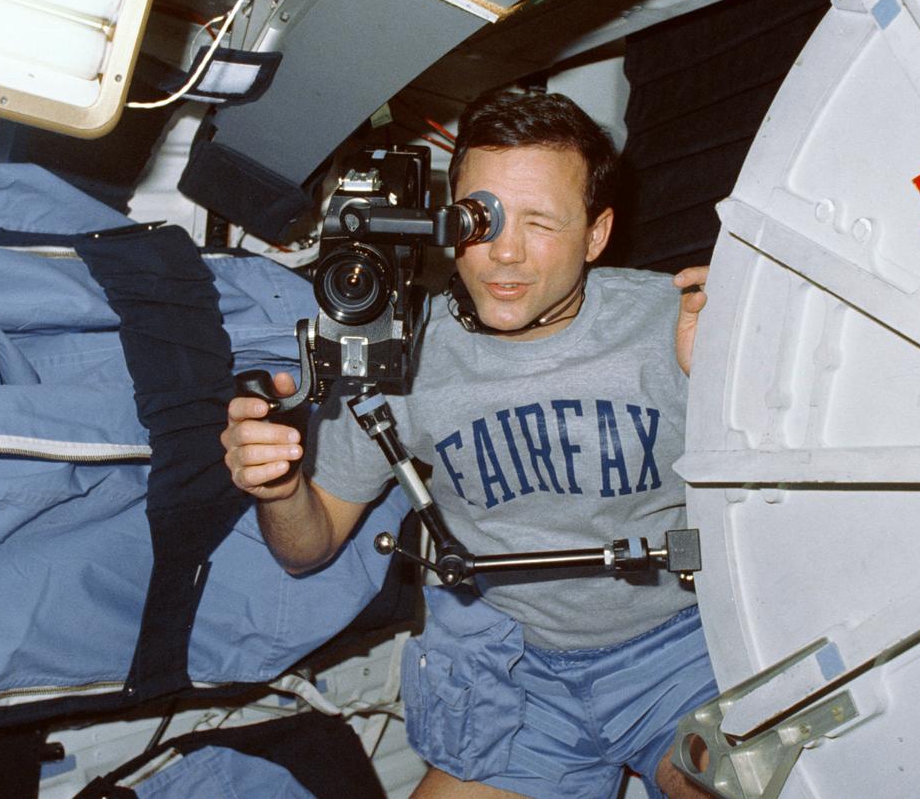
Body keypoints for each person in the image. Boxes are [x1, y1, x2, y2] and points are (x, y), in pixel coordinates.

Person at [221, 87, 714, 798]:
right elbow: (308, 546)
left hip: (676, 651)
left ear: (597, 234)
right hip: (512, 674)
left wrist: (738, 369)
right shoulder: (397, 348)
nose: (504, 253)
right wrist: (280, 486)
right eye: (481, 218)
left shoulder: (679, 325)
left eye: (542, 222)